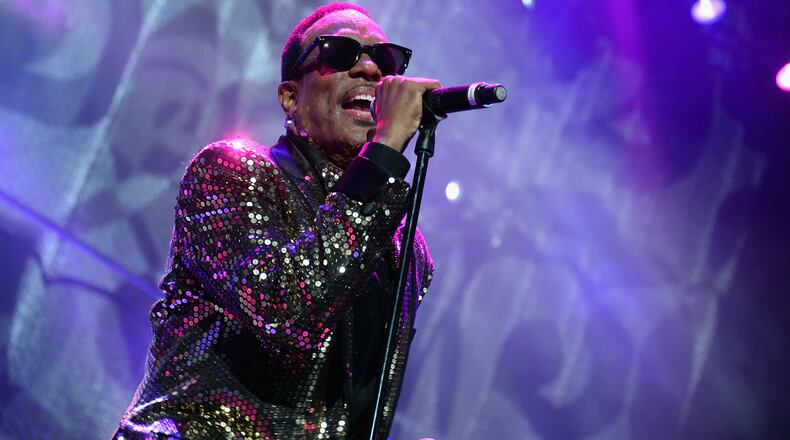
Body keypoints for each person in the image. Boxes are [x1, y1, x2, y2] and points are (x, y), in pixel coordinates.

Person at [114, 3, 438, 439]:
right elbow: (279, 308)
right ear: (290, 96)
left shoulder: (406, 245)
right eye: (341, 53)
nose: (369, 69)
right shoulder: (232, 172)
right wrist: (382, 151)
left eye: (386, 59)